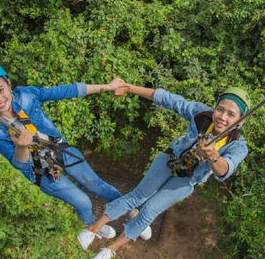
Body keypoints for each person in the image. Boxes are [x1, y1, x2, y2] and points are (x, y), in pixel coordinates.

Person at [0, 61, 151, 243]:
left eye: (0, 90)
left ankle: (133, 213)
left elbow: (65, 91)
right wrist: (21, 147)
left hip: (60, 150)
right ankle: (94, 226)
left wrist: (107, 86)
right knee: (83, 202)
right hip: (41, 172)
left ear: (9, 84)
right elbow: (19, 163)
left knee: (97, 184)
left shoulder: (27, 95)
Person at [80, 83, 251, 259]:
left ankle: (111, 249)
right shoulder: (202, 115)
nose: (222, 117)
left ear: (241, 120)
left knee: (149, 211)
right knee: (137, 196)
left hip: (187, 179)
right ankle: (93, 230)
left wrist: (213, 155)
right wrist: (129, 88)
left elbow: (224, 171)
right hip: (171, 160)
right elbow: (168, 99)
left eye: (231, 115)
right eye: (220, 110)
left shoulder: (238, 146)